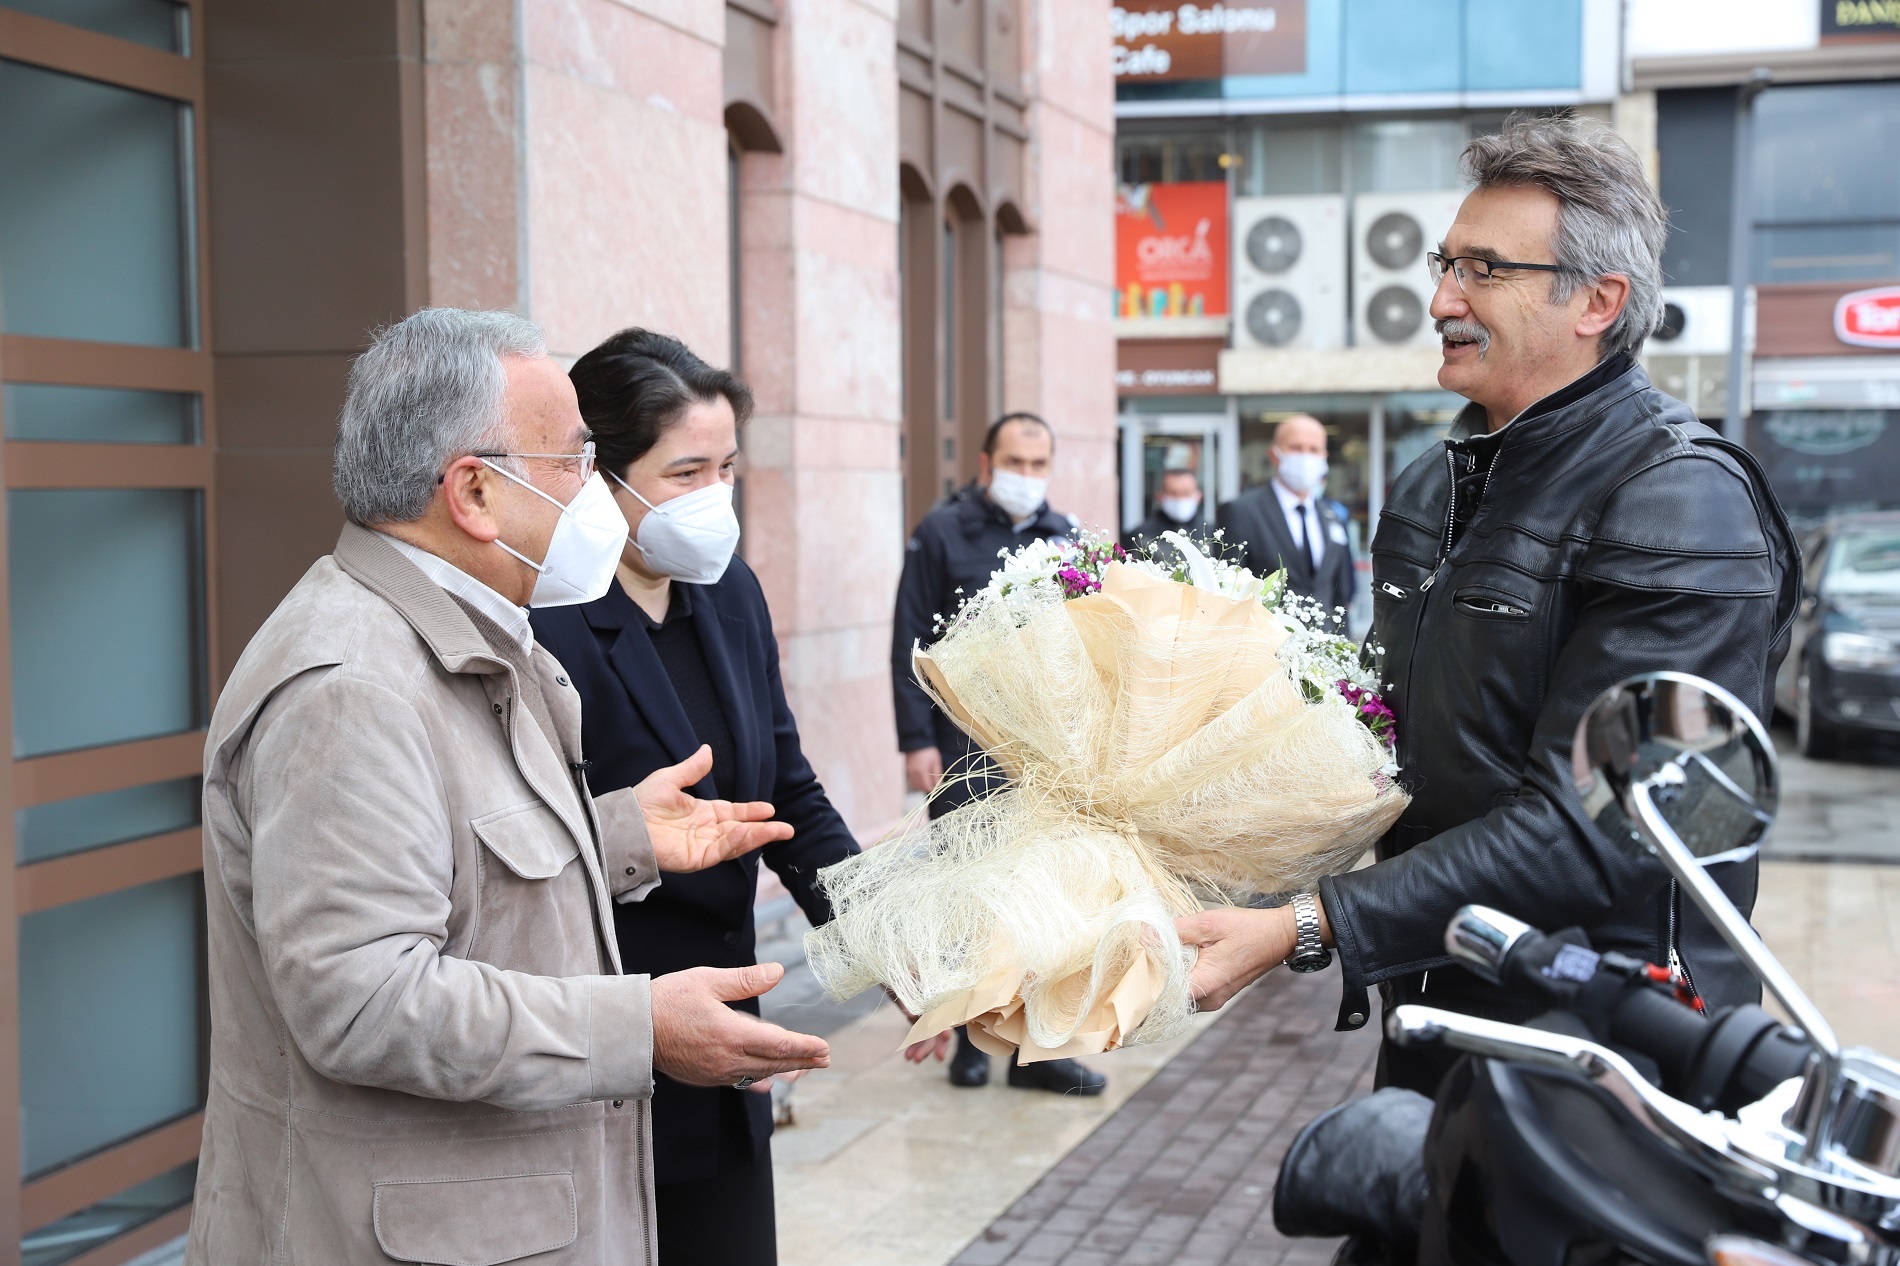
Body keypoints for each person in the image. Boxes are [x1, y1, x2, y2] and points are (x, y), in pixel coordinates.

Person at [187, 308, 830, 1265]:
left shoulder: (470, 629)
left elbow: (461, 872)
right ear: (475, 493)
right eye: (574, 462)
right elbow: (361, 1003)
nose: (596, 498)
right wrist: (638, 1027)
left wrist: (615, 839)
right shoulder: (349, 686)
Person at [1178, 114, 1798, 1097]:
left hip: (1614, 1046)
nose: (1439, 300)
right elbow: (1385, 749)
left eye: (1482, 270)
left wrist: (1310, 923)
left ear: (1597, 300)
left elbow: (1597, 828)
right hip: (1443, 998)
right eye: (1443, 263)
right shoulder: (1433, 484)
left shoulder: (1681, 498)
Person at [531, 329, 861, 1266]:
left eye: (727, 469)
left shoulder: (728, 590)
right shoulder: (542, 619)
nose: (713, 499)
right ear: (599, 474)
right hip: (604, 1044)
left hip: (725, 1052)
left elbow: (785, 786)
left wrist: (894, 944)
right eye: (684, 473)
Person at [891, 411, 1107, 1096]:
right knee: (971, 899)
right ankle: (968, 1040)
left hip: (1044, 760)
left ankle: (1032, 1051)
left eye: (1040, 465)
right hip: (961, 753)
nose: (1028, 477)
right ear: (985, 465)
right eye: (1016, 462)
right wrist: (915, 740)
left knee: (1042, 902)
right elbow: (911, 643)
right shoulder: (942, 532)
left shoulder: (1065, 538)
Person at [1217, 414, 1355, 626]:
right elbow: (1227, 592)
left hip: (1323, 650)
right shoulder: (1241, 512)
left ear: (1324, 457)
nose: (1305, 457)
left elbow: (1340, 593)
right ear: (1274, 454)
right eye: (1296, 448)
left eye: (1314, 450)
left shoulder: (1332, 516)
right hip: (1266, 648)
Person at [1123, 465, 1209, 552]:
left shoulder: (1210, 535)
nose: (1179, 499)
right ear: (1159, 495)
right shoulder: (1140, 537)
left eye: (1186, 493)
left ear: (1199, 496)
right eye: (1173, 493)